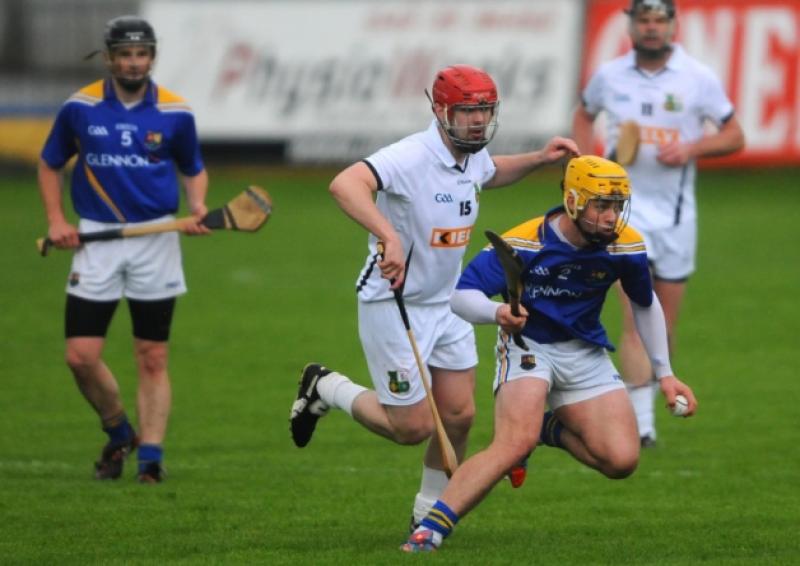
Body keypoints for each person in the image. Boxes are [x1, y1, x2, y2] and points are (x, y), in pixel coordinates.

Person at [290, 64, 578, 527]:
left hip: (449, 304)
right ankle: (325, 386)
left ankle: (427, 515)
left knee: (460, 415)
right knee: (412, 428)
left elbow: (490, 171)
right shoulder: (411, 156)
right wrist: (389, 234)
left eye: (485, 110)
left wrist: (541, 158)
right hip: (395, 300)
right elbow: (344, 184)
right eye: (468, 112)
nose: (479, 121)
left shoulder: (469, 154)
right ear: (440, 110)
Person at [402, 155, 698, 552]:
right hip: (529, 348)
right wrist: (498, 313)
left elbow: (644, 304)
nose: (611, 218)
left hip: (585, 352)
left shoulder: (625, 246)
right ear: (574, 200)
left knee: (621, 460)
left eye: (617, 206)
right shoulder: (526, 241)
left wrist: (665, 373)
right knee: (512, 444)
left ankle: (547, 428)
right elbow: (461, 296)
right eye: (601, 205)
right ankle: (431, 528)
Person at [38, 15, 210, 483]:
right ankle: (118, 430)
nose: (134, 63)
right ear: (110, 57)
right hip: (95, 238)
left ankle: (151, 456)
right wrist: (56, 221)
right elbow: (50, 163)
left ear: (152, 57)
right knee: (81, 355)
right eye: (125, 55)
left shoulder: (175, 111)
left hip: (156, 239)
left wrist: (196, 205)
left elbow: (192, 167)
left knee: (152, 354)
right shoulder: (81, 107)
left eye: (142, 54)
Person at [572, 0, 744, 446]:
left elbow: (734, 135)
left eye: (659, 21)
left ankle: (648, 402)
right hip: (619, 217)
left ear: (673, 26)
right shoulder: (610, 75)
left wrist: (691, 149)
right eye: (643, 20)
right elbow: (585, 112)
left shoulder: (698, 78)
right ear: (631, 25)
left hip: (676, 218)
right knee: (634, 318)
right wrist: (585, 155)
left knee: (663, 325)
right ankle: (642, 423)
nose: (650, 28)